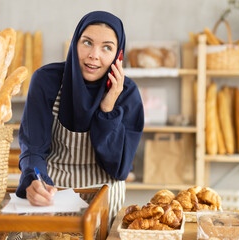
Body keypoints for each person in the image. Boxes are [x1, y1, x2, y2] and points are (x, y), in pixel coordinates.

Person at [16, 11, 144, 226]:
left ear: (118, 55)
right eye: (87, 42)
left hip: (103, 201)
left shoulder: (127, 93)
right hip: (51, 196)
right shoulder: (46, 81)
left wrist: (108, 108)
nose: (94, 55)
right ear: (74, 43)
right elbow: (33, 148)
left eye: (107, 47)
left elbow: (119, 168)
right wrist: (33, 178)